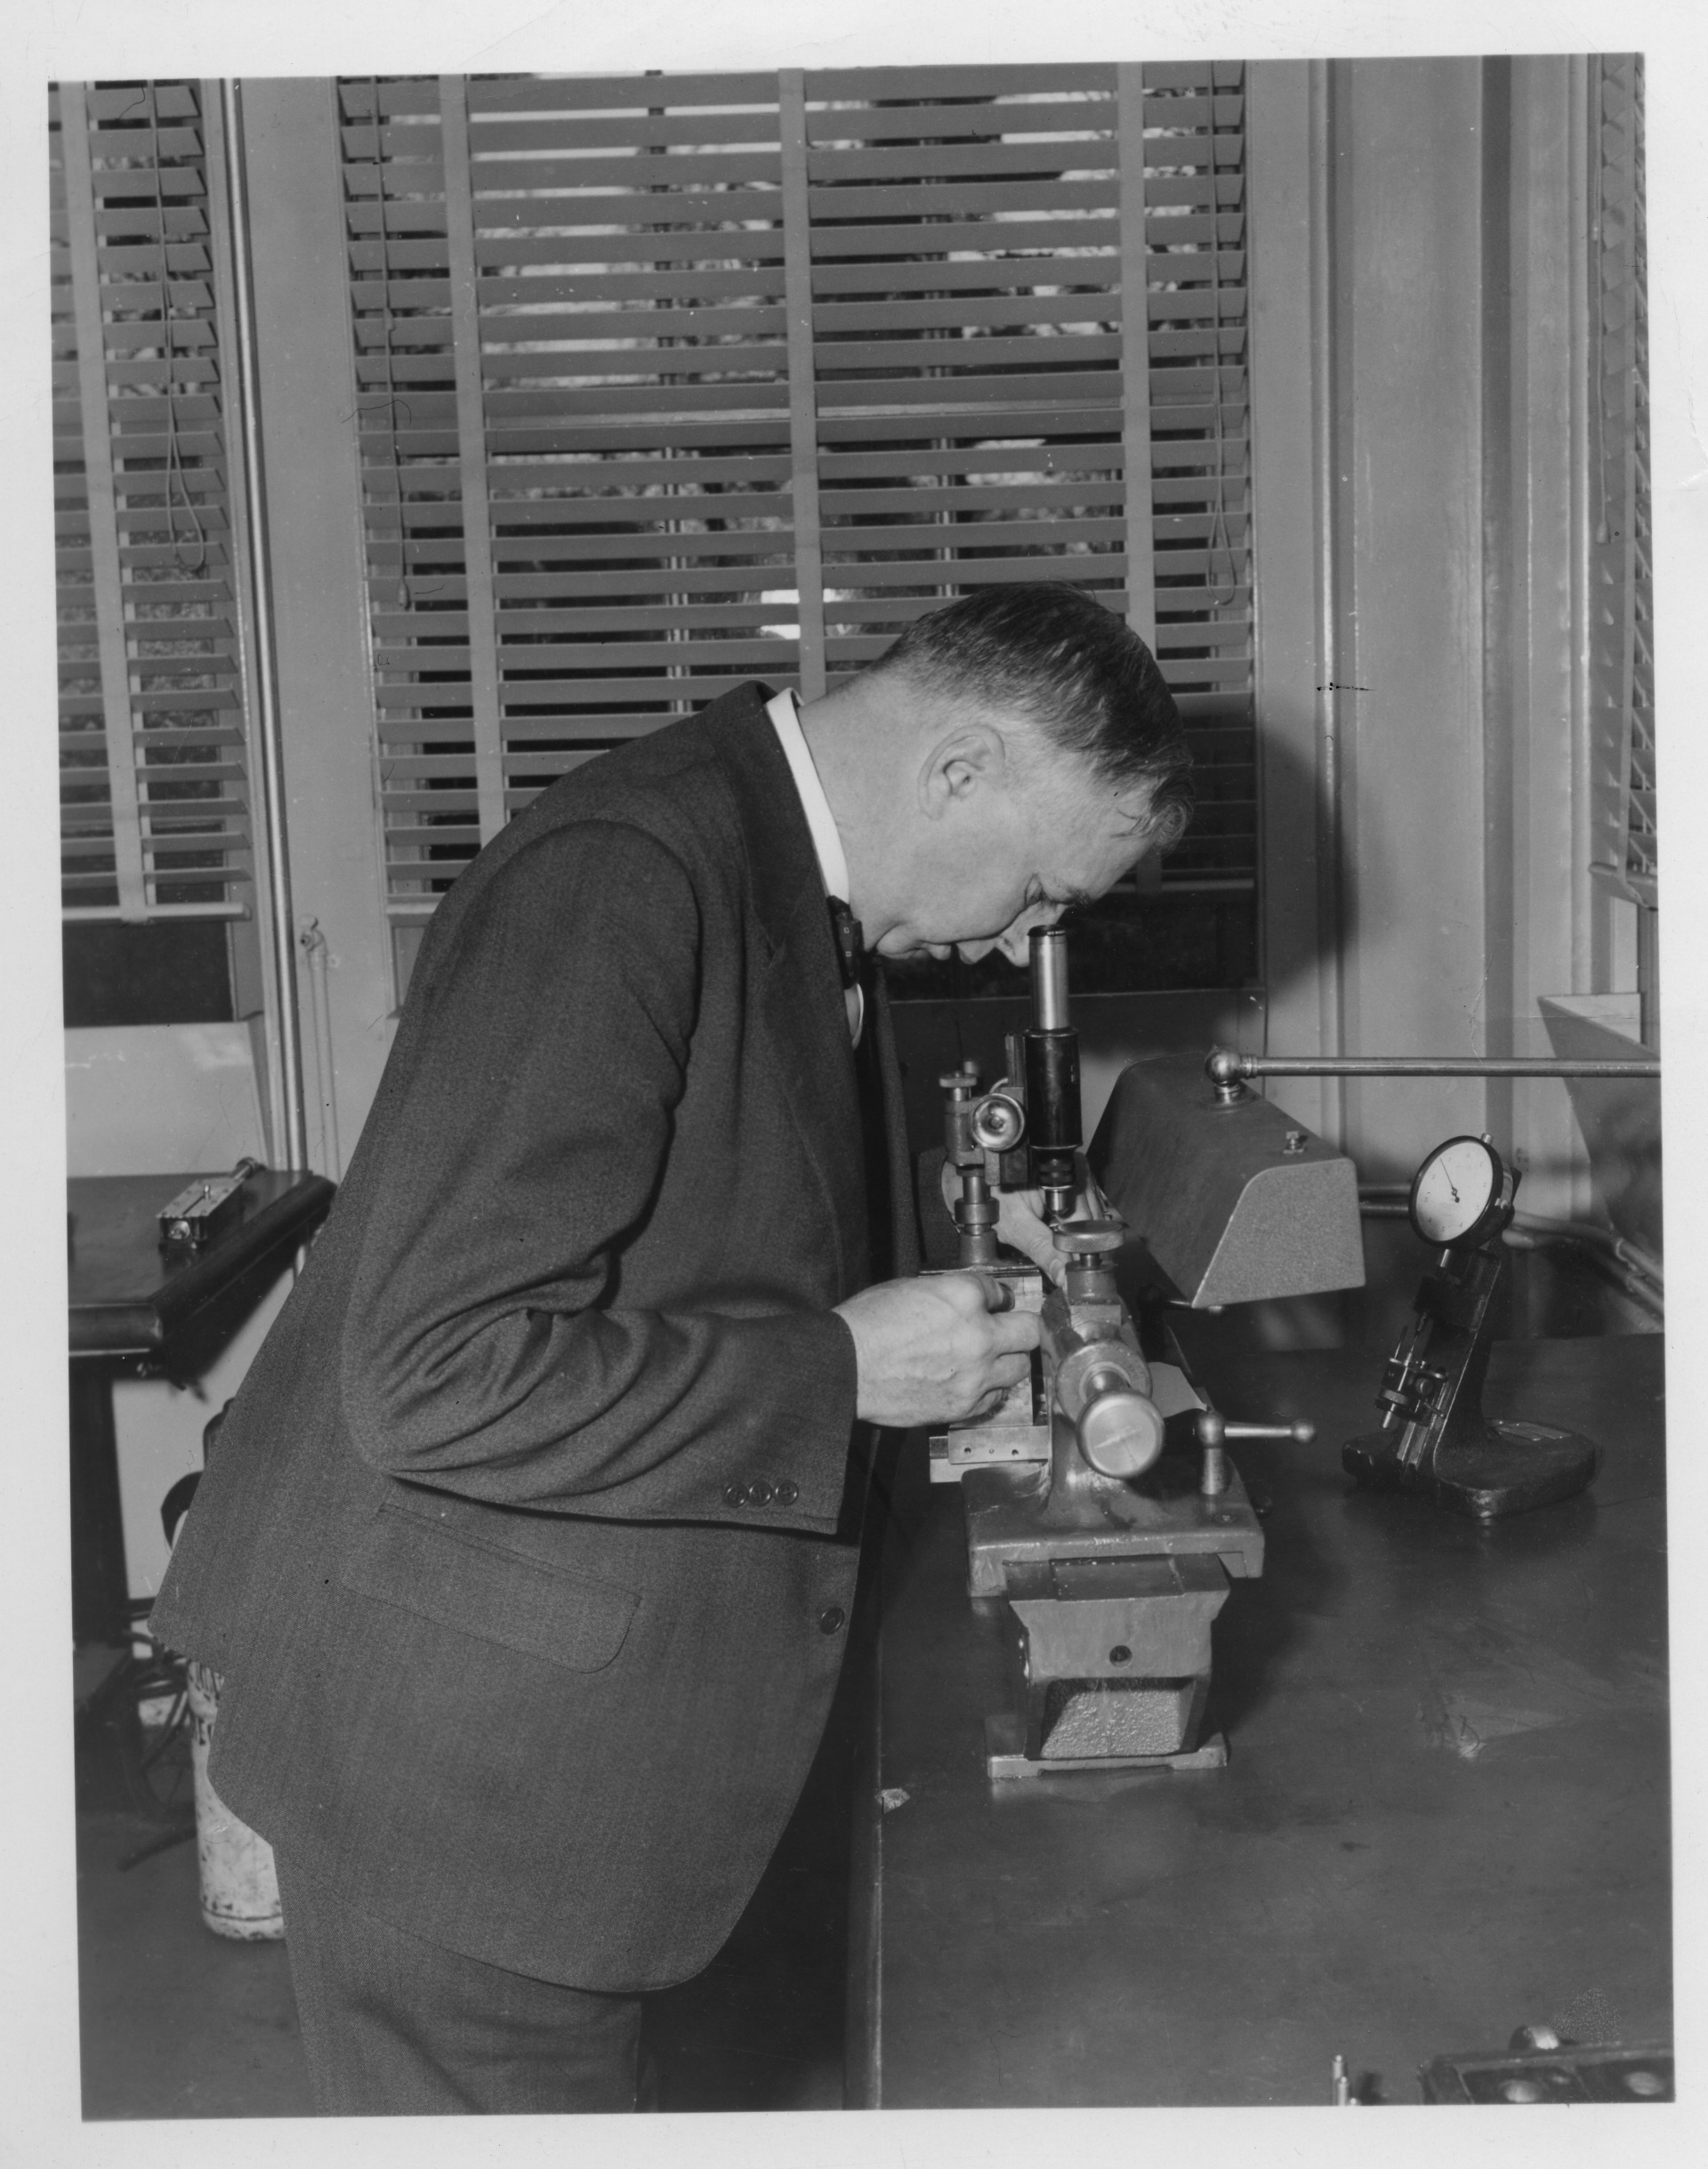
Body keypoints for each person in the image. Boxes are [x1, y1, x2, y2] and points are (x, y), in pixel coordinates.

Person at [149, 581, 1193, 2114]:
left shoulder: (779, 874)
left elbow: (716, 1196)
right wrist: (841, 1372)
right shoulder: (624, 873)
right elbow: (436, 1371)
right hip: (464, 1790)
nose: (1022, 942)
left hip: (589, 1744)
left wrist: (957, 1229)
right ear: (959, 767)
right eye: (1041, 890)